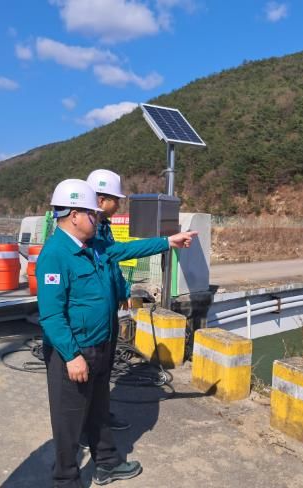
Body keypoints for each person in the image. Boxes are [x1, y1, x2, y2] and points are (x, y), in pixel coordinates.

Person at [36, 179, 195, 487]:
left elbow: (126, 249)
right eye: (92, 214)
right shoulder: (55, 255)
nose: (97, 218)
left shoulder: (93, 246)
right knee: (69, 421)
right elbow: (52, 315)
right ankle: (65, 479)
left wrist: (168, 242)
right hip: (74, 352)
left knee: (98, 409)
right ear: (74, 215)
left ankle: (107, 463)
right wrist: (72, 356)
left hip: (101, 344)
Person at [86, 169, 130, 432]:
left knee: (105, 369)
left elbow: (113, 265)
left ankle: (101, 415)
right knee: (92, 371)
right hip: (94, 314)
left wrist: (122, 290)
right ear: (101, 200)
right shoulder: (88, 233)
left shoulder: (103, 227)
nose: (119, 205)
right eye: (116, 199)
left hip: (109, 308)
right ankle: (87, 425)